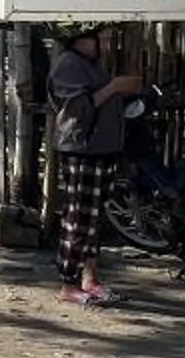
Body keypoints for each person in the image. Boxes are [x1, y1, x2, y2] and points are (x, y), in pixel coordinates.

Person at [48, 25, 143, 305]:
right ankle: (68, 283)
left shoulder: (91, 64)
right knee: (78, 218)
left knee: (94, 218)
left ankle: (90, 278)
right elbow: (78, 109)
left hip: (103, 148)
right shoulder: (68, 65)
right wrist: (114, 86)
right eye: (101, 39)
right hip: (82, 149)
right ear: (81, 40)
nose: (107, 44)